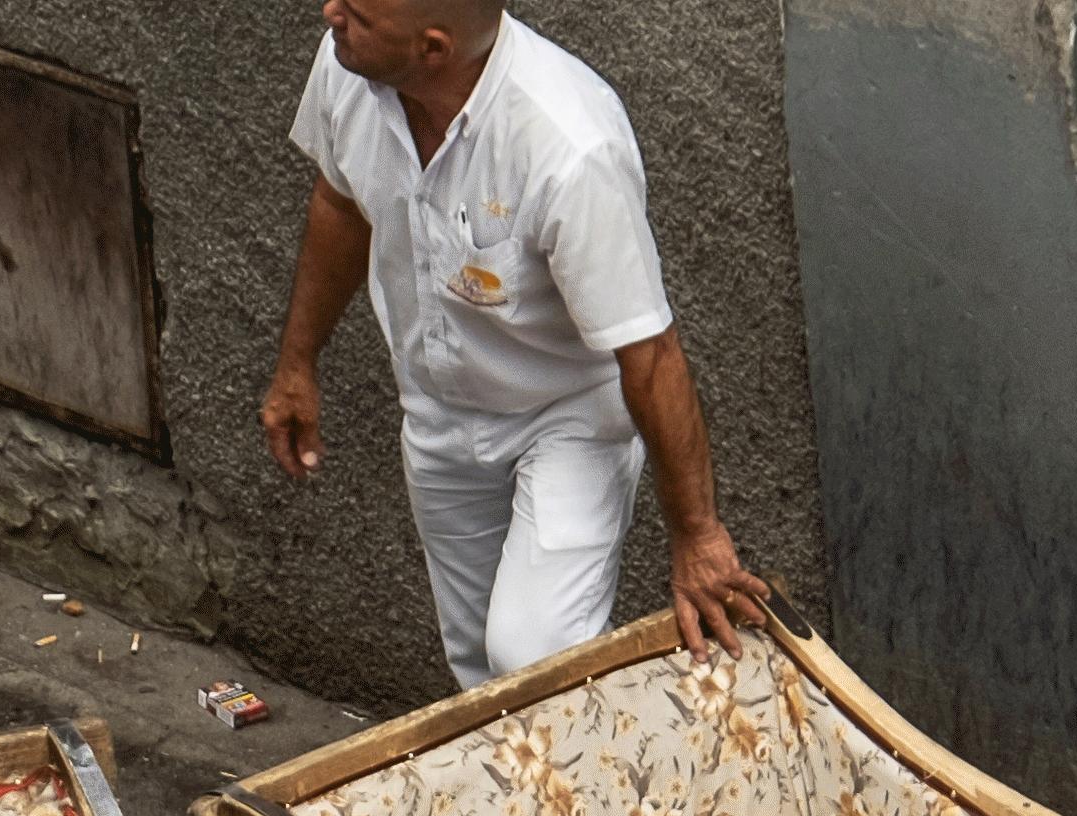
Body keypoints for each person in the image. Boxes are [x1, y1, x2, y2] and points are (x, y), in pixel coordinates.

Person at [264, 0, 770, 684]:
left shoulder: (569, 144)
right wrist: (297, 362)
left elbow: (648, 354)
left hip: (567, 417)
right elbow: (340, 204)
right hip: (436, 413)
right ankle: (535, 788)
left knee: (532, 657)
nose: (330, 14)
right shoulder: (349, 65)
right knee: (476, 667)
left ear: (433, 49)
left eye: (357, 12)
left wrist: (697, 535)